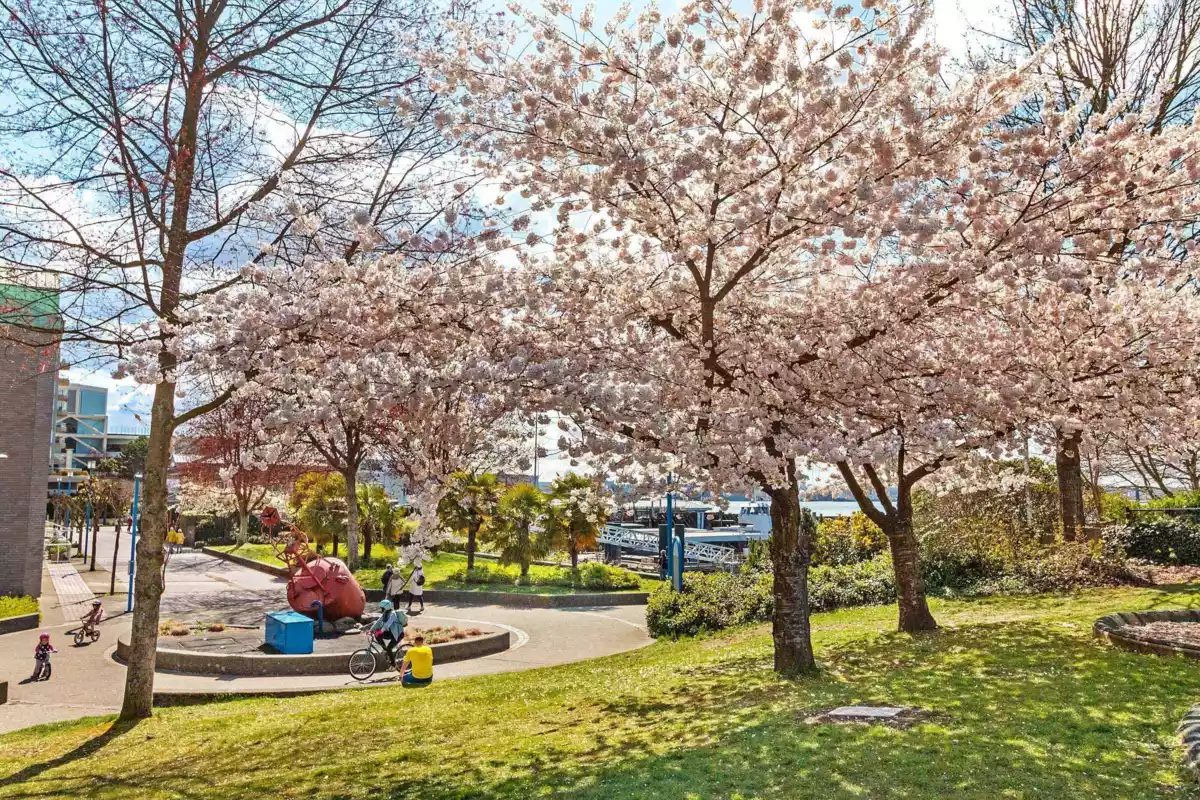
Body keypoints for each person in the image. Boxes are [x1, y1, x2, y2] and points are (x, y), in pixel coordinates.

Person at [368, 599, 407, 666]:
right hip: (391, 633)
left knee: (389, 648)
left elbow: (388, 623)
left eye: (382, 608)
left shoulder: (393, 614)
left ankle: (393, 663)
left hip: (398, 634)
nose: (381, 609)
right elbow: (378, 621)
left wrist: (381, 630)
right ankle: (386, 650)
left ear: (386, 607)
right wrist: (371, 630)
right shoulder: (385, 614)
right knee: (377, 636)